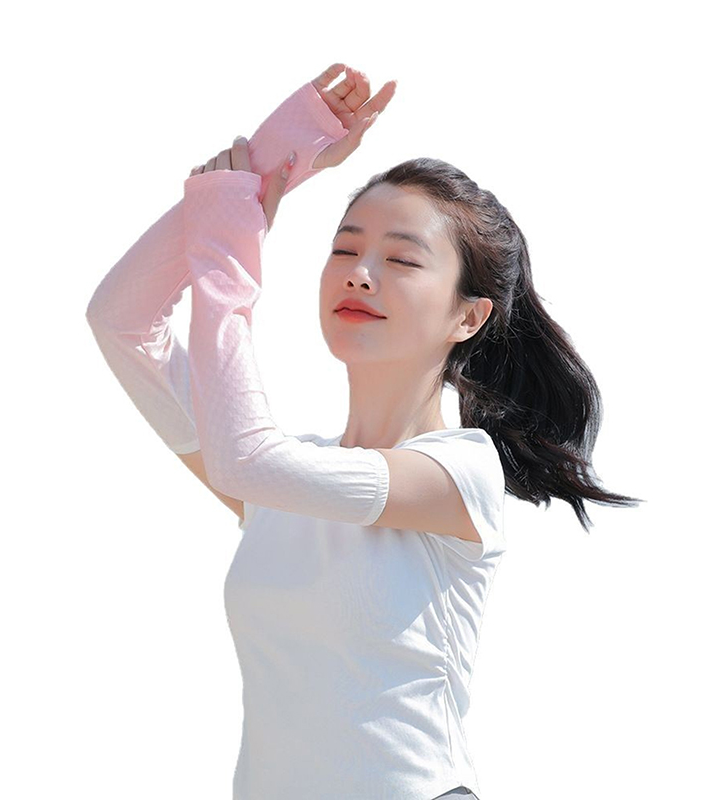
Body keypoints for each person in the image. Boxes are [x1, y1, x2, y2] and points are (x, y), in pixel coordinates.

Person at [86, 63, 642, 800]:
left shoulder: (461, 472)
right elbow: (121, 321)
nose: (360, 273)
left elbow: (250, 460)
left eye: (402, 259)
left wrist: (230, 239)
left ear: (468, 316)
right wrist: (268, 167)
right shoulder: (285, 482)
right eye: (345, 249)